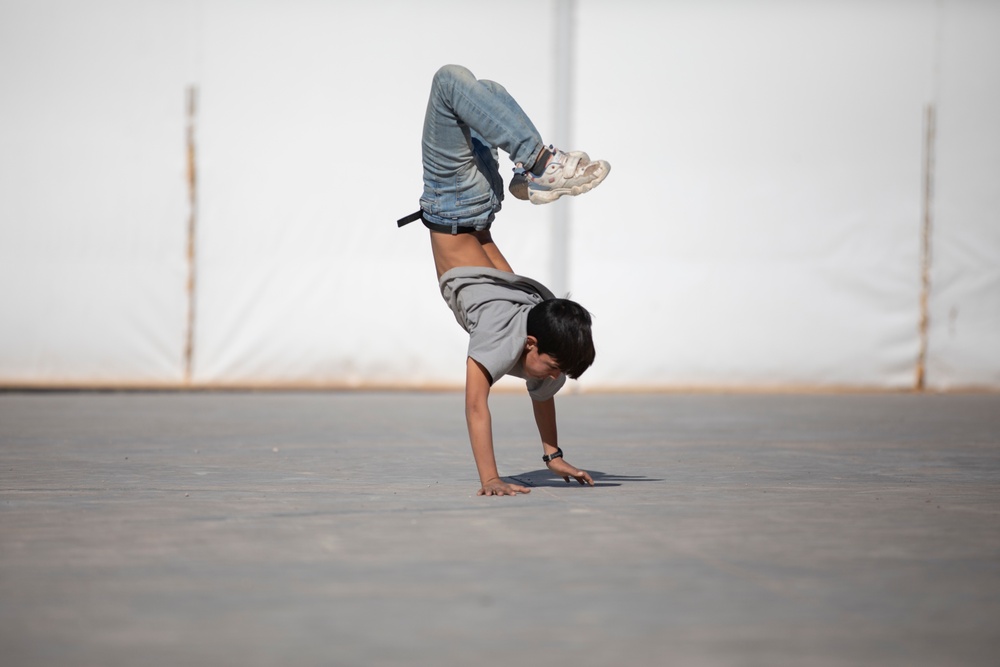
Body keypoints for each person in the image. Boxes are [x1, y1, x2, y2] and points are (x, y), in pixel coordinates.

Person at [398, 64, 610, 497]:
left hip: (481, 204)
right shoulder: (501, 334)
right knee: (450, 83)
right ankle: (539, 164)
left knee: (481, 92)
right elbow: (477, 405)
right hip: (454, 203)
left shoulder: (538, 325)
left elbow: (540, 391)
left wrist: (553, 457)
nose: (553, 379)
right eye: (554, 368)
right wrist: (490, 478)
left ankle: (528, 171)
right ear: (531, 344)